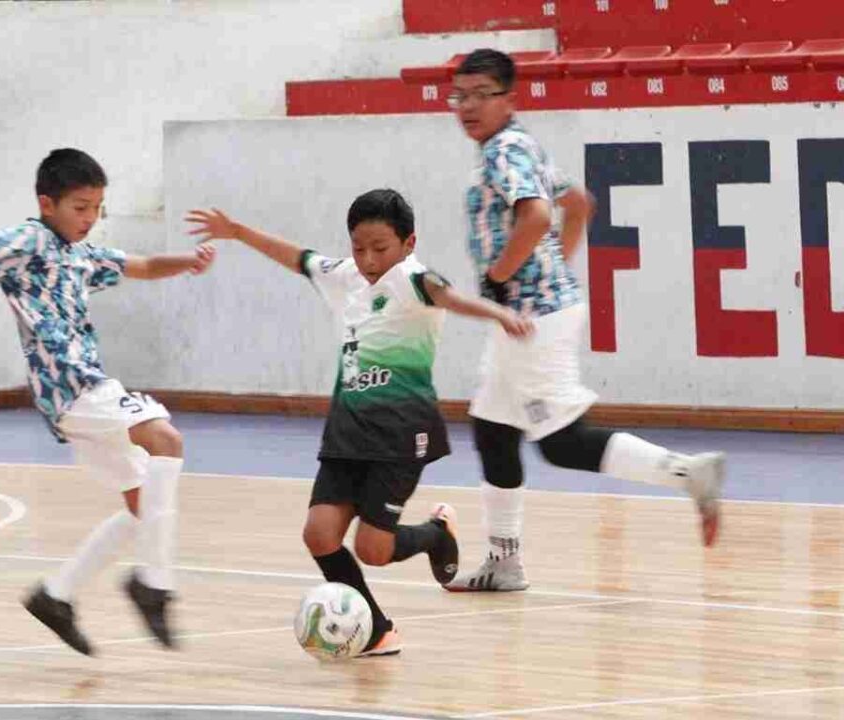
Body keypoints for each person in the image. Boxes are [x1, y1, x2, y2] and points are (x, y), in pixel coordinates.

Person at [185, 188, 534, 655]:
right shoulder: (344, 276)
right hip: (347, 429)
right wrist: (237, 232)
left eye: (380, 248)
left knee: (374, 548)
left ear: (409, 243)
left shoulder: (415, 279)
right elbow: (296, 257)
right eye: (359, 247)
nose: (369, 259)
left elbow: (449, 297)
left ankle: (435, 536)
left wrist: (498, 313)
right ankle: (375, 629)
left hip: (402, 431)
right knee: (319, 534)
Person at [445, 49, 725, 592]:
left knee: (561, 443)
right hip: (533, 313)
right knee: (493, 430)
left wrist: (503, 276)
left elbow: (540, 213)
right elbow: (582, 203)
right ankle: (505, 563)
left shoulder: (505, 152)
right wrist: (554, 267)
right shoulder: (522, 145)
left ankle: (689, 472)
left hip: (530, 318)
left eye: (482, 94)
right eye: (460, 94)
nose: (468, 106)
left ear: (510, 98)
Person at [0, 148, 216, 654]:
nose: (90, 218)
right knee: (166, 439)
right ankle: (154, 586)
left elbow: (144, 264)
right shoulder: (32, 239)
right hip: (75, 389)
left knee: (142, 505)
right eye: (81, 207)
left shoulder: (82, 253)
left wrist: (188, 262)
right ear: (48, 204)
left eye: (97, 208)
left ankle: (56, 596)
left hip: (81, 400)